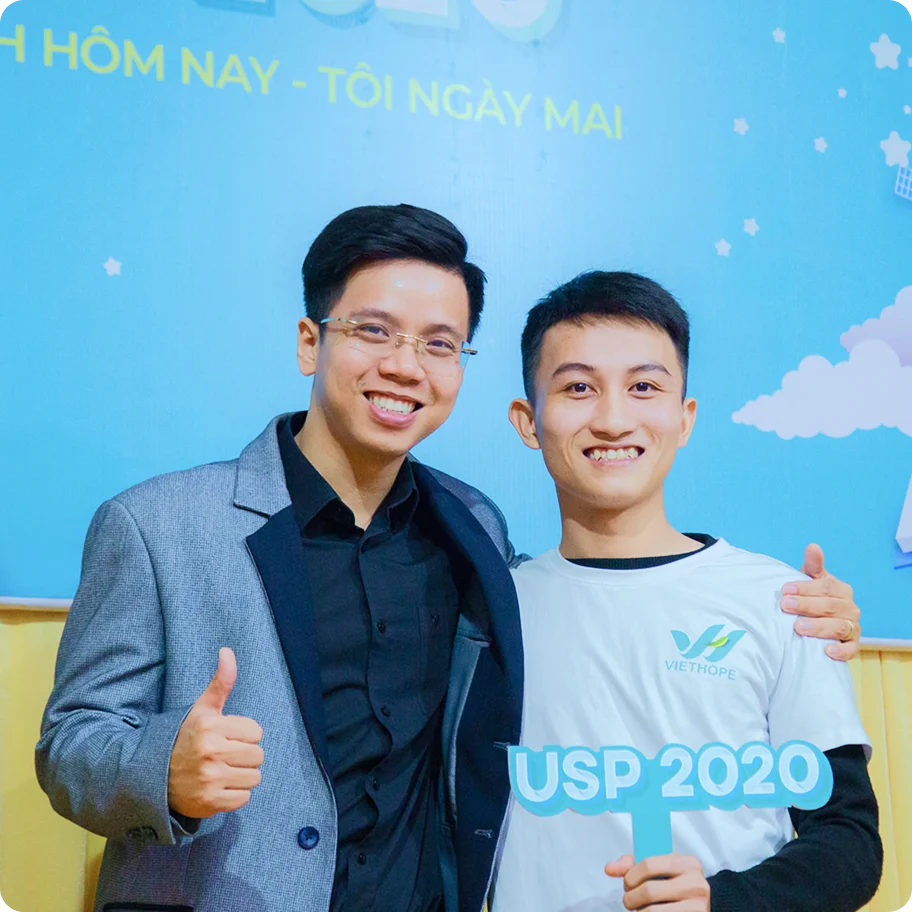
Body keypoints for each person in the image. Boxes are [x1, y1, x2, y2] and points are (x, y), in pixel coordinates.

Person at [37, 206, 863, 912]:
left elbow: (612, 594)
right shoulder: (156, 525)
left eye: (439, 343)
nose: (405, 365)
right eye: (373, 331)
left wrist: (800, 609)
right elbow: (69, 743)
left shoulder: (472, 532)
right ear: (309, 341)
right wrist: (164, 770)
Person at [491, 271, 882, 912]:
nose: (613, 419)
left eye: (644, 387)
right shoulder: (489, 613)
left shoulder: (784, 602)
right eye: (578, 387)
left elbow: (848, 842)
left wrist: (720, 902)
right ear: (528, 421)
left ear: (684, 417)